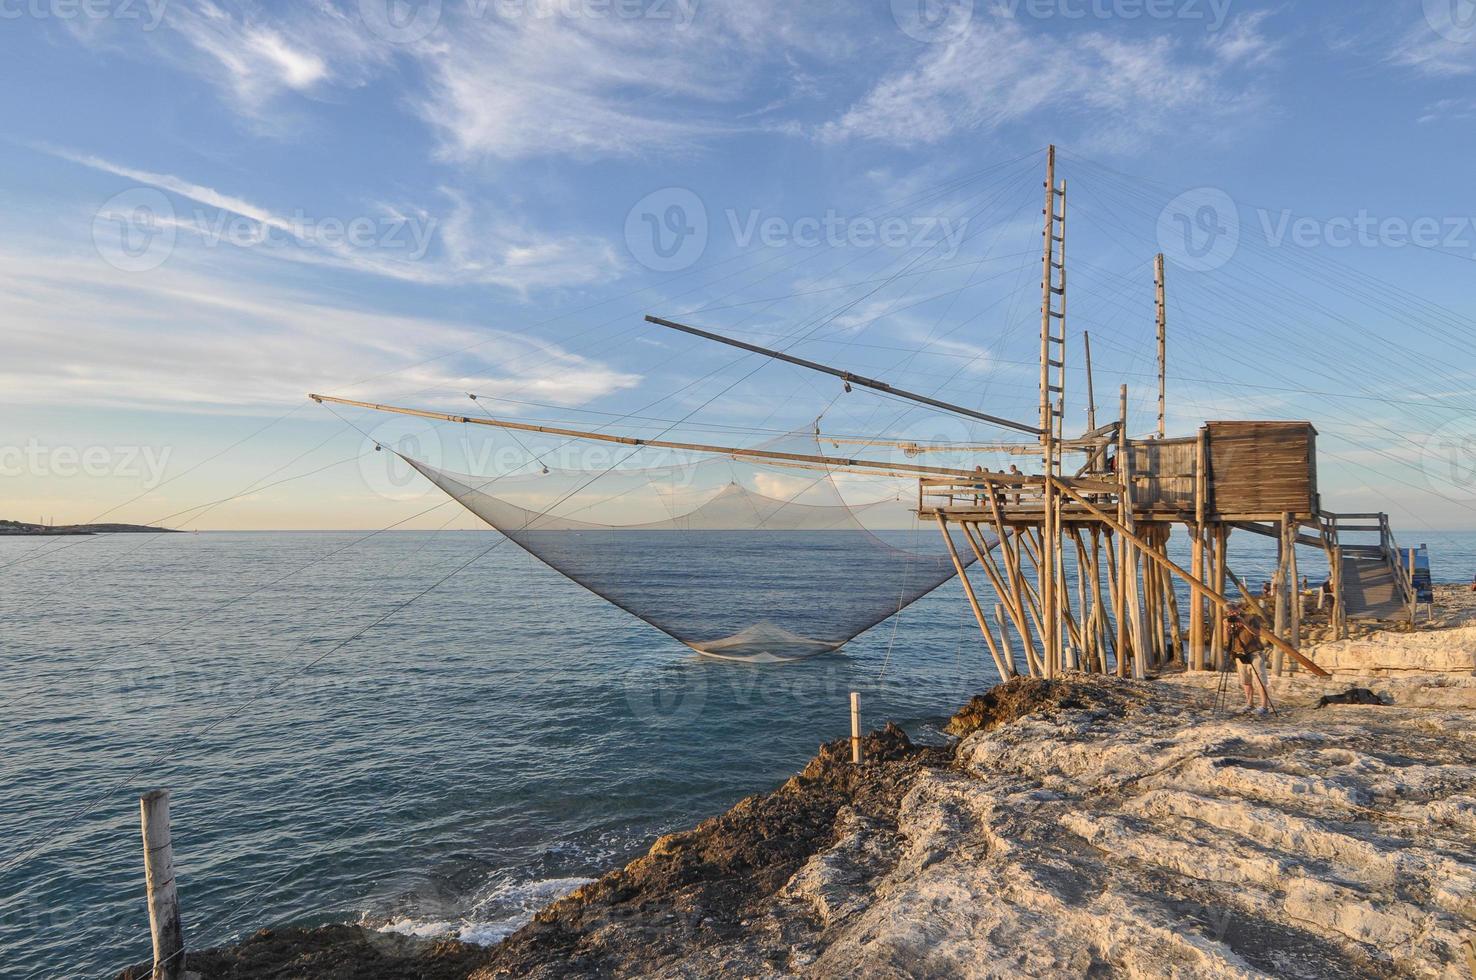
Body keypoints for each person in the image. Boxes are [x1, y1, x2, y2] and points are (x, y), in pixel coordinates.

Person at [1223, 605, 1273, 715]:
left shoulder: (1250, 618)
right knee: (1245, 681)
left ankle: (1264, 706)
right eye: (1229, 613)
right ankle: (1249, 704)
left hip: (1254, 652)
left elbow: (1257, 633)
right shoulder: (1229, 622)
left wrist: (1244, 624)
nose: (1231, 614)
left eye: (1232, 611)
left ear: (1237, 609)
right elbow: (1226, 640)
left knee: (1259, 680)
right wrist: (1226, 628)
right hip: (1240, 653)